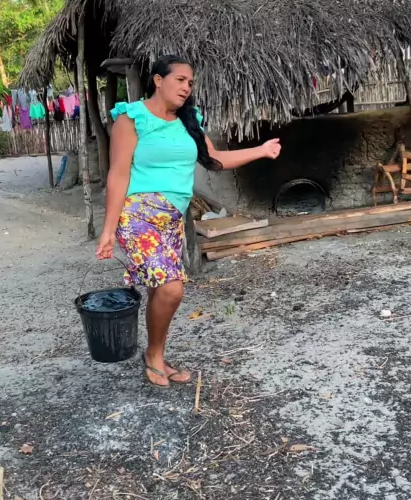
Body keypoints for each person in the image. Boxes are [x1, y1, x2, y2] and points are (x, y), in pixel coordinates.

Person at [96, 55, 281, 388]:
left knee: (160, 289)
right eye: (180, 80)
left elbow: (215, 159)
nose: (186, 87)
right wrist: (108, 230)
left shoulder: (189, 120)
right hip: (138, 214)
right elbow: (118, 174)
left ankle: (155, 354)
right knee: (172, 289)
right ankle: (154, 356)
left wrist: (261, 150)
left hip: (171, 219)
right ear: (158, 80)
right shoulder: (132, 117)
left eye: (190, 83)